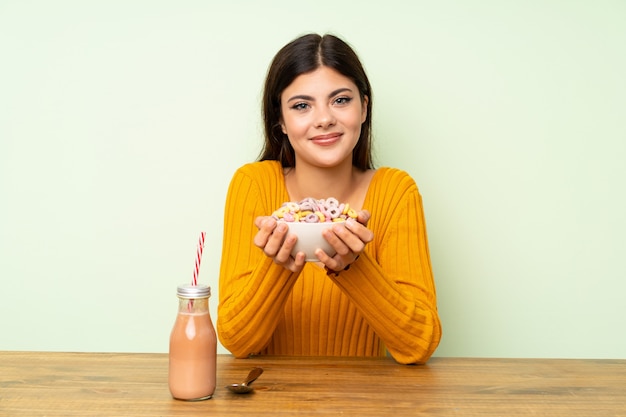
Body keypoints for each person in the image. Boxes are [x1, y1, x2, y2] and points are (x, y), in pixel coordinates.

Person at [217, 33, 441, 365]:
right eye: (302, 106)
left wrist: (355, 267)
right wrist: (279, 265)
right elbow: (237, 341)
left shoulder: (395, 192)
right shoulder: (253, 184)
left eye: (340, 100)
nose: (324, 119)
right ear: (280, 119)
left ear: (364, 108)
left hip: (363, 402)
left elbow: (420, 344)